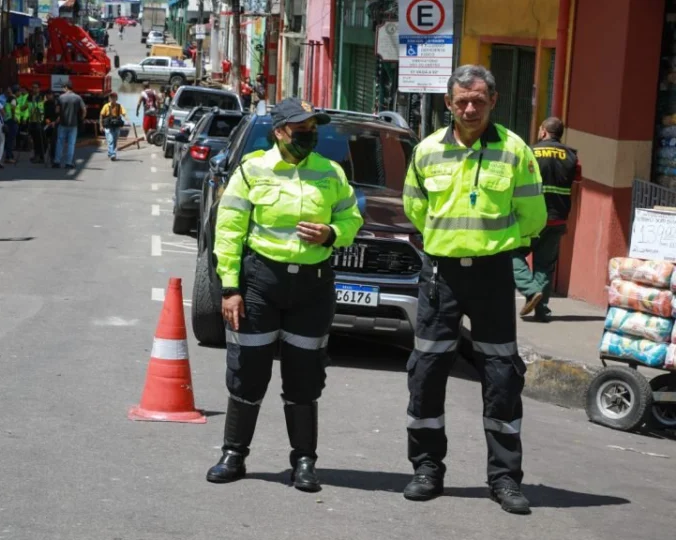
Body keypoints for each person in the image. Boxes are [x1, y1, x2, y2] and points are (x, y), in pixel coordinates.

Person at [401, 65, 547, 515]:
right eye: (461, 101)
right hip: (440, 276)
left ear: (493, 101)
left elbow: (533, 216)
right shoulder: (426, 151)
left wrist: (494, 247)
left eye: (478, 101)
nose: (469, 109)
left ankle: (504, 479)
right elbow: (414, 207)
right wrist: (448, 241)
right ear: (448, 103)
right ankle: (427, 469)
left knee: (501, 377)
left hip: (492, 277)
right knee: (427, 372)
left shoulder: (515, 150)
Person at [206, 97, 363, 492]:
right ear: (279, 132)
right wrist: (230, 288)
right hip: (261, 284)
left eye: (313, 128)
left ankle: (305, 462)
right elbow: (229, 231)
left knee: (304, 377)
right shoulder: (252, 170)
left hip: (312, 288)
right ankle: (234, 455)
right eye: (300, 129)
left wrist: (332, 233)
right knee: (248, 371)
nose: (309, 135)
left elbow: (352, 218)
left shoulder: (331, 172)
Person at [513, 117, 579, 322]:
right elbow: (577, 188)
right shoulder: (572, 156)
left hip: (531, 217)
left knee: (510, 253)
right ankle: (541, 310)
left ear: (543, 131)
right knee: (545, 264)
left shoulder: (529, 152)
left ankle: (530, 290)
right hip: (557, 218)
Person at [54, 82, 86, 169]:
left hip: (62, 123)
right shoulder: (78, 97)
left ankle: (57, 162)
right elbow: (84, 109)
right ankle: (68, 163)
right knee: (71, 144)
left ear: (66, 87)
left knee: (60, 143)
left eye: (63, 88)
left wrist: (60, 114)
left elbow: (57, 110)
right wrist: (81, 118)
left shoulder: (61, 97)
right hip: (73, 124)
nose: (62, 90)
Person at [100, 92, 126, 161]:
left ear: (116, 98)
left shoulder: (119, 106)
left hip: (116, 126)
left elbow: (124, 113)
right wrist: (101, 126)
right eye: (111, 97)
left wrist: (127, 119)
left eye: (114, 97)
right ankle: (113, 154)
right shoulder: (106, 106)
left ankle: (110, 152)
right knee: (110, 140)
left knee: (115, 140)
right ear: (109, 99)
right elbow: (101, 115)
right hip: (108, 126)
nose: (112, 99)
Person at [28, 83, 47, 164]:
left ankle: (41, 156)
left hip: (39, 121)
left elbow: (41, 109)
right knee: (35, 139)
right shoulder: (30, 97)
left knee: (40, 140)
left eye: (36, 88)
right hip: (32, 120)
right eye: (33, 87)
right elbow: (28, 108)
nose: (34, 89)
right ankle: (36, 155)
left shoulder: (41, 97)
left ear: (39, 89)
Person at [3, 86, 19, 165]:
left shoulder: (8, 98)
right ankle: (8, 157)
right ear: (16, 92)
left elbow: (5, 108)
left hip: (7, 120)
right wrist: (13, 118)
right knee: (11, 140)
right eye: (19, 91)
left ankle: (10, 155)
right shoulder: (13, 98)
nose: (20, 93)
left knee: (9, 139)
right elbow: (13, 108)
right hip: (12, 121)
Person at [43, 91, 59, 164]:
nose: (48, 96)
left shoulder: (56, 103)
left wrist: (54, 122)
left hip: (54, 124)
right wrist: (46, 120)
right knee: (44, 140)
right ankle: (43, 155)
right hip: (46, 124)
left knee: (53, 142)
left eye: (49, 95)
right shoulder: (45, 103)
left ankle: (53, 157)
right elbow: (44, 114)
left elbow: (59, 115)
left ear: (52, 95)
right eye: (47, 95)